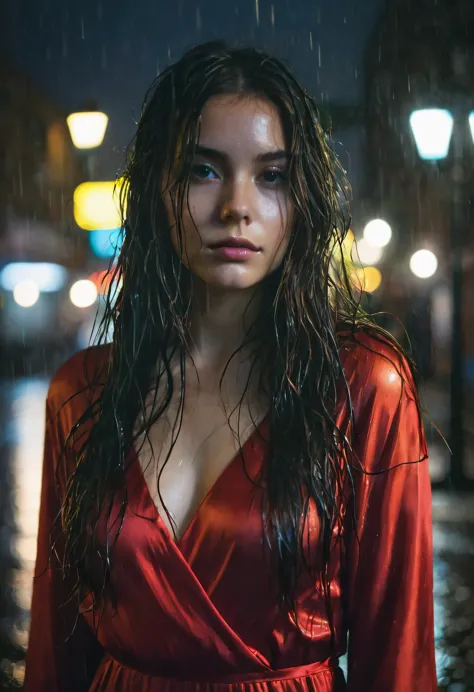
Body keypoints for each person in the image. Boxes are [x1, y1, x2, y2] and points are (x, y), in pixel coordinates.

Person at [24, 41, 437, 691]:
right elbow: (54, 651)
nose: (237, 207)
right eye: (203, 170)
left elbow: (399, 657)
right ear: (159, 186)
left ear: (302, 199)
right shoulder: (82, 392)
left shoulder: (363, 386)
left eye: (271, 175)